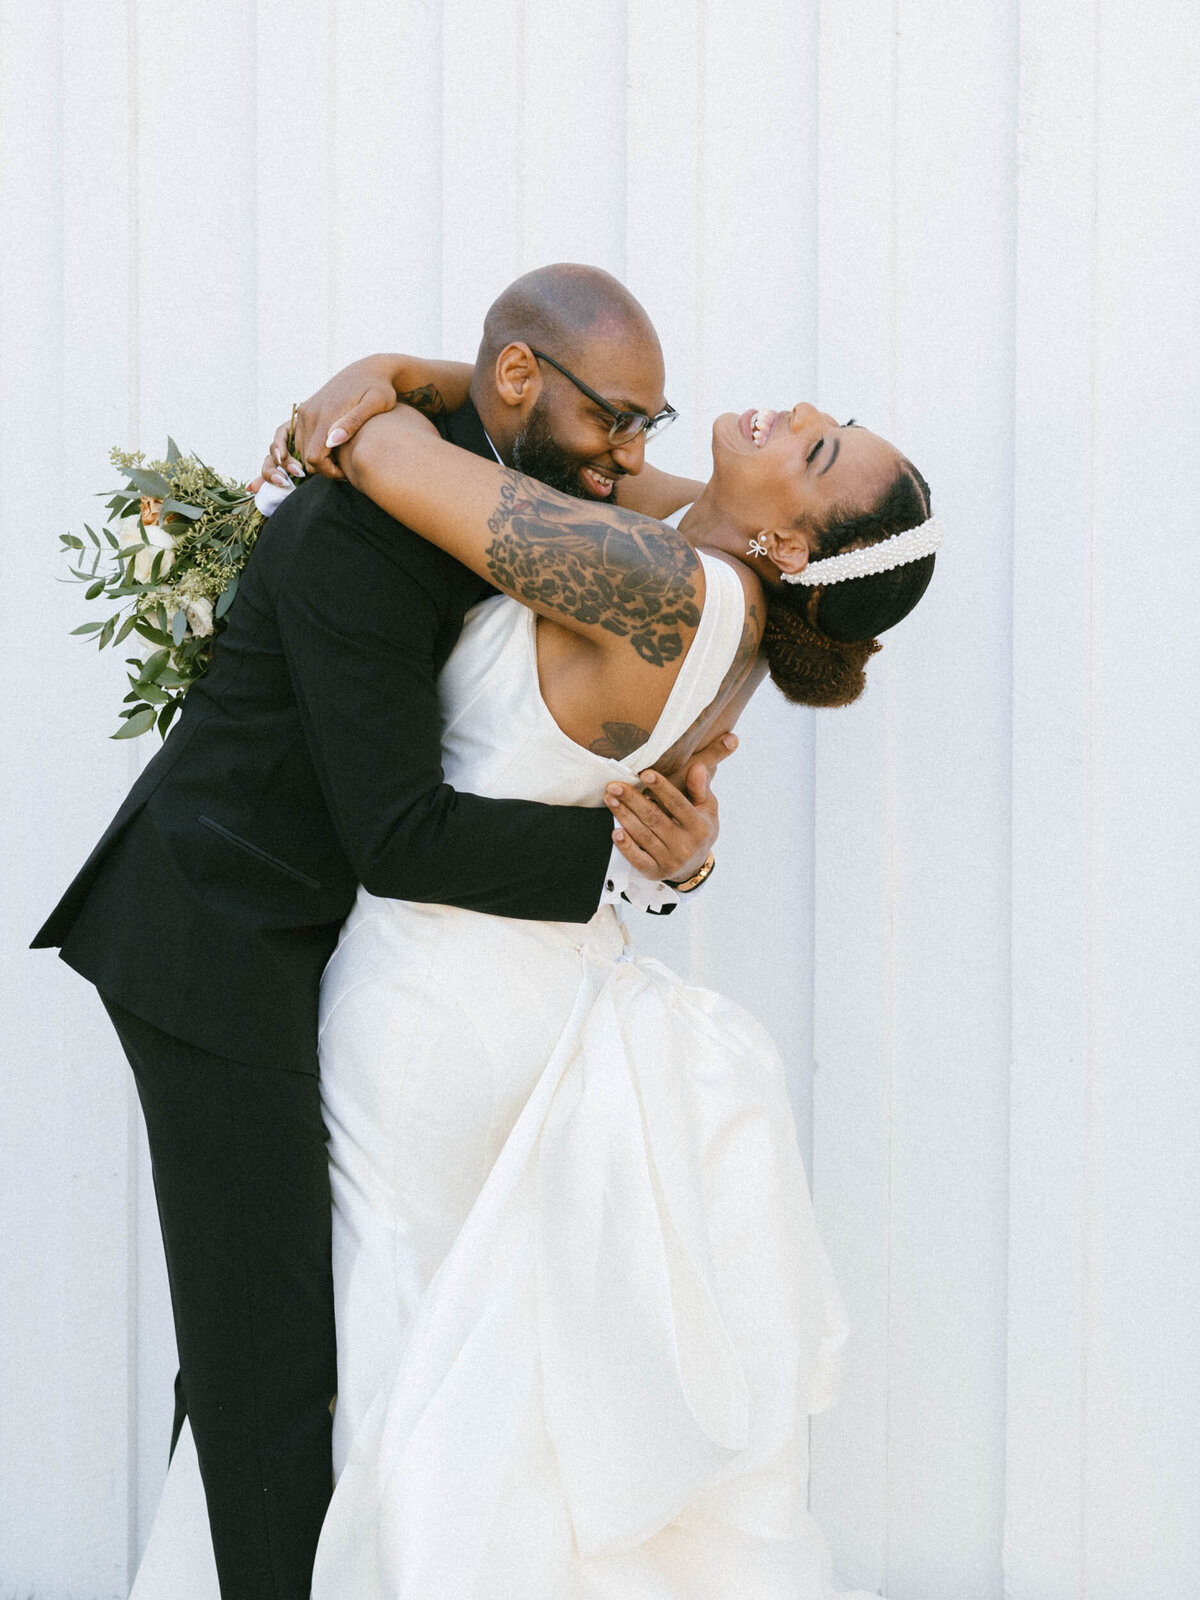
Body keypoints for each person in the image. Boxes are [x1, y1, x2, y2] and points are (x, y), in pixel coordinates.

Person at [32, 265, 737, 1600]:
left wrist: (409, 375)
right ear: (521, 382)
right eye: (617, 421)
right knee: (270, 1349)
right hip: (210, 940)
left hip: (295, 936)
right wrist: (641, 865)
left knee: (264, 1319)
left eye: (654, 421)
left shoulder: (495, 482)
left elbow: (690, 521)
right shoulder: (362, 532)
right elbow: (398, 834)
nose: (634, 455)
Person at [273, 382, 938, 1594]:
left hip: (438, 997)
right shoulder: (717, 574)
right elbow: (551, 441)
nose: (792, 410)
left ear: (792, 543)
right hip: (527, 986)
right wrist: (409, 373)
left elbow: (393, 465)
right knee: (475, 1374)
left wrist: (363, 404)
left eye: (818, 444)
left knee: (399, 1362)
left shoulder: (666, 583)